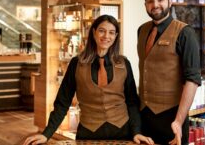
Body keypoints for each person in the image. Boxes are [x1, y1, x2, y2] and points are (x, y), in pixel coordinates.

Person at [23, 15, 154, 145]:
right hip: (88, 133)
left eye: (111, 32)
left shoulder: (124, 63)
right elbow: (62, 102)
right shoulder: (77, 63)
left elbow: (132, 102)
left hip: (122, 133)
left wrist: (137, 132)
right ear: (93, 32)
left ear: (116, 36)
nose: (106, 36)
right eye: (102, 31)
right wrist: (46, 134)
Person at [137, 0, 201, 145]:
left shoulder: (185, 33)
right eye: (150, 1)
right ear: (145, 4)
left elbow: (192, 80)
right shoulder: (142, 30)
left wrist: (179, 121)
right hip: (145, 115)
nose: (155, 5)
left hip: (172, 117)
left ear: (170, 2)